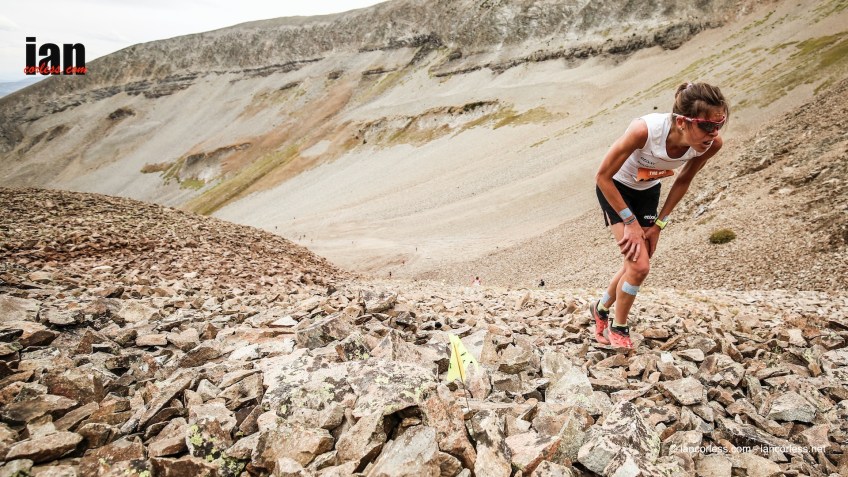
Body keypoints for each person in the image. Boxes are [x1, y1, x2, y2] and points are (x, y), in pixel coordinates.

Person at [592, 82, 729, 349]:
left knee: (635, 261)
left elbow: (683, 180)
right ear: (682, 122)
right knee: (640, 266)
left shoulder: (711, 145)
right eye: (707, 126)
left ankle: (600, 308)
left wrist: (659, 224)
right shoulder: (644, 131)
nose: (714, 133)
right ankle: (618, 327)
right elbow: (602, 177)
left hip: (648, 191)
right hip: (615, 189)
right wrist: (630, 222)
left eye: (719, 124)